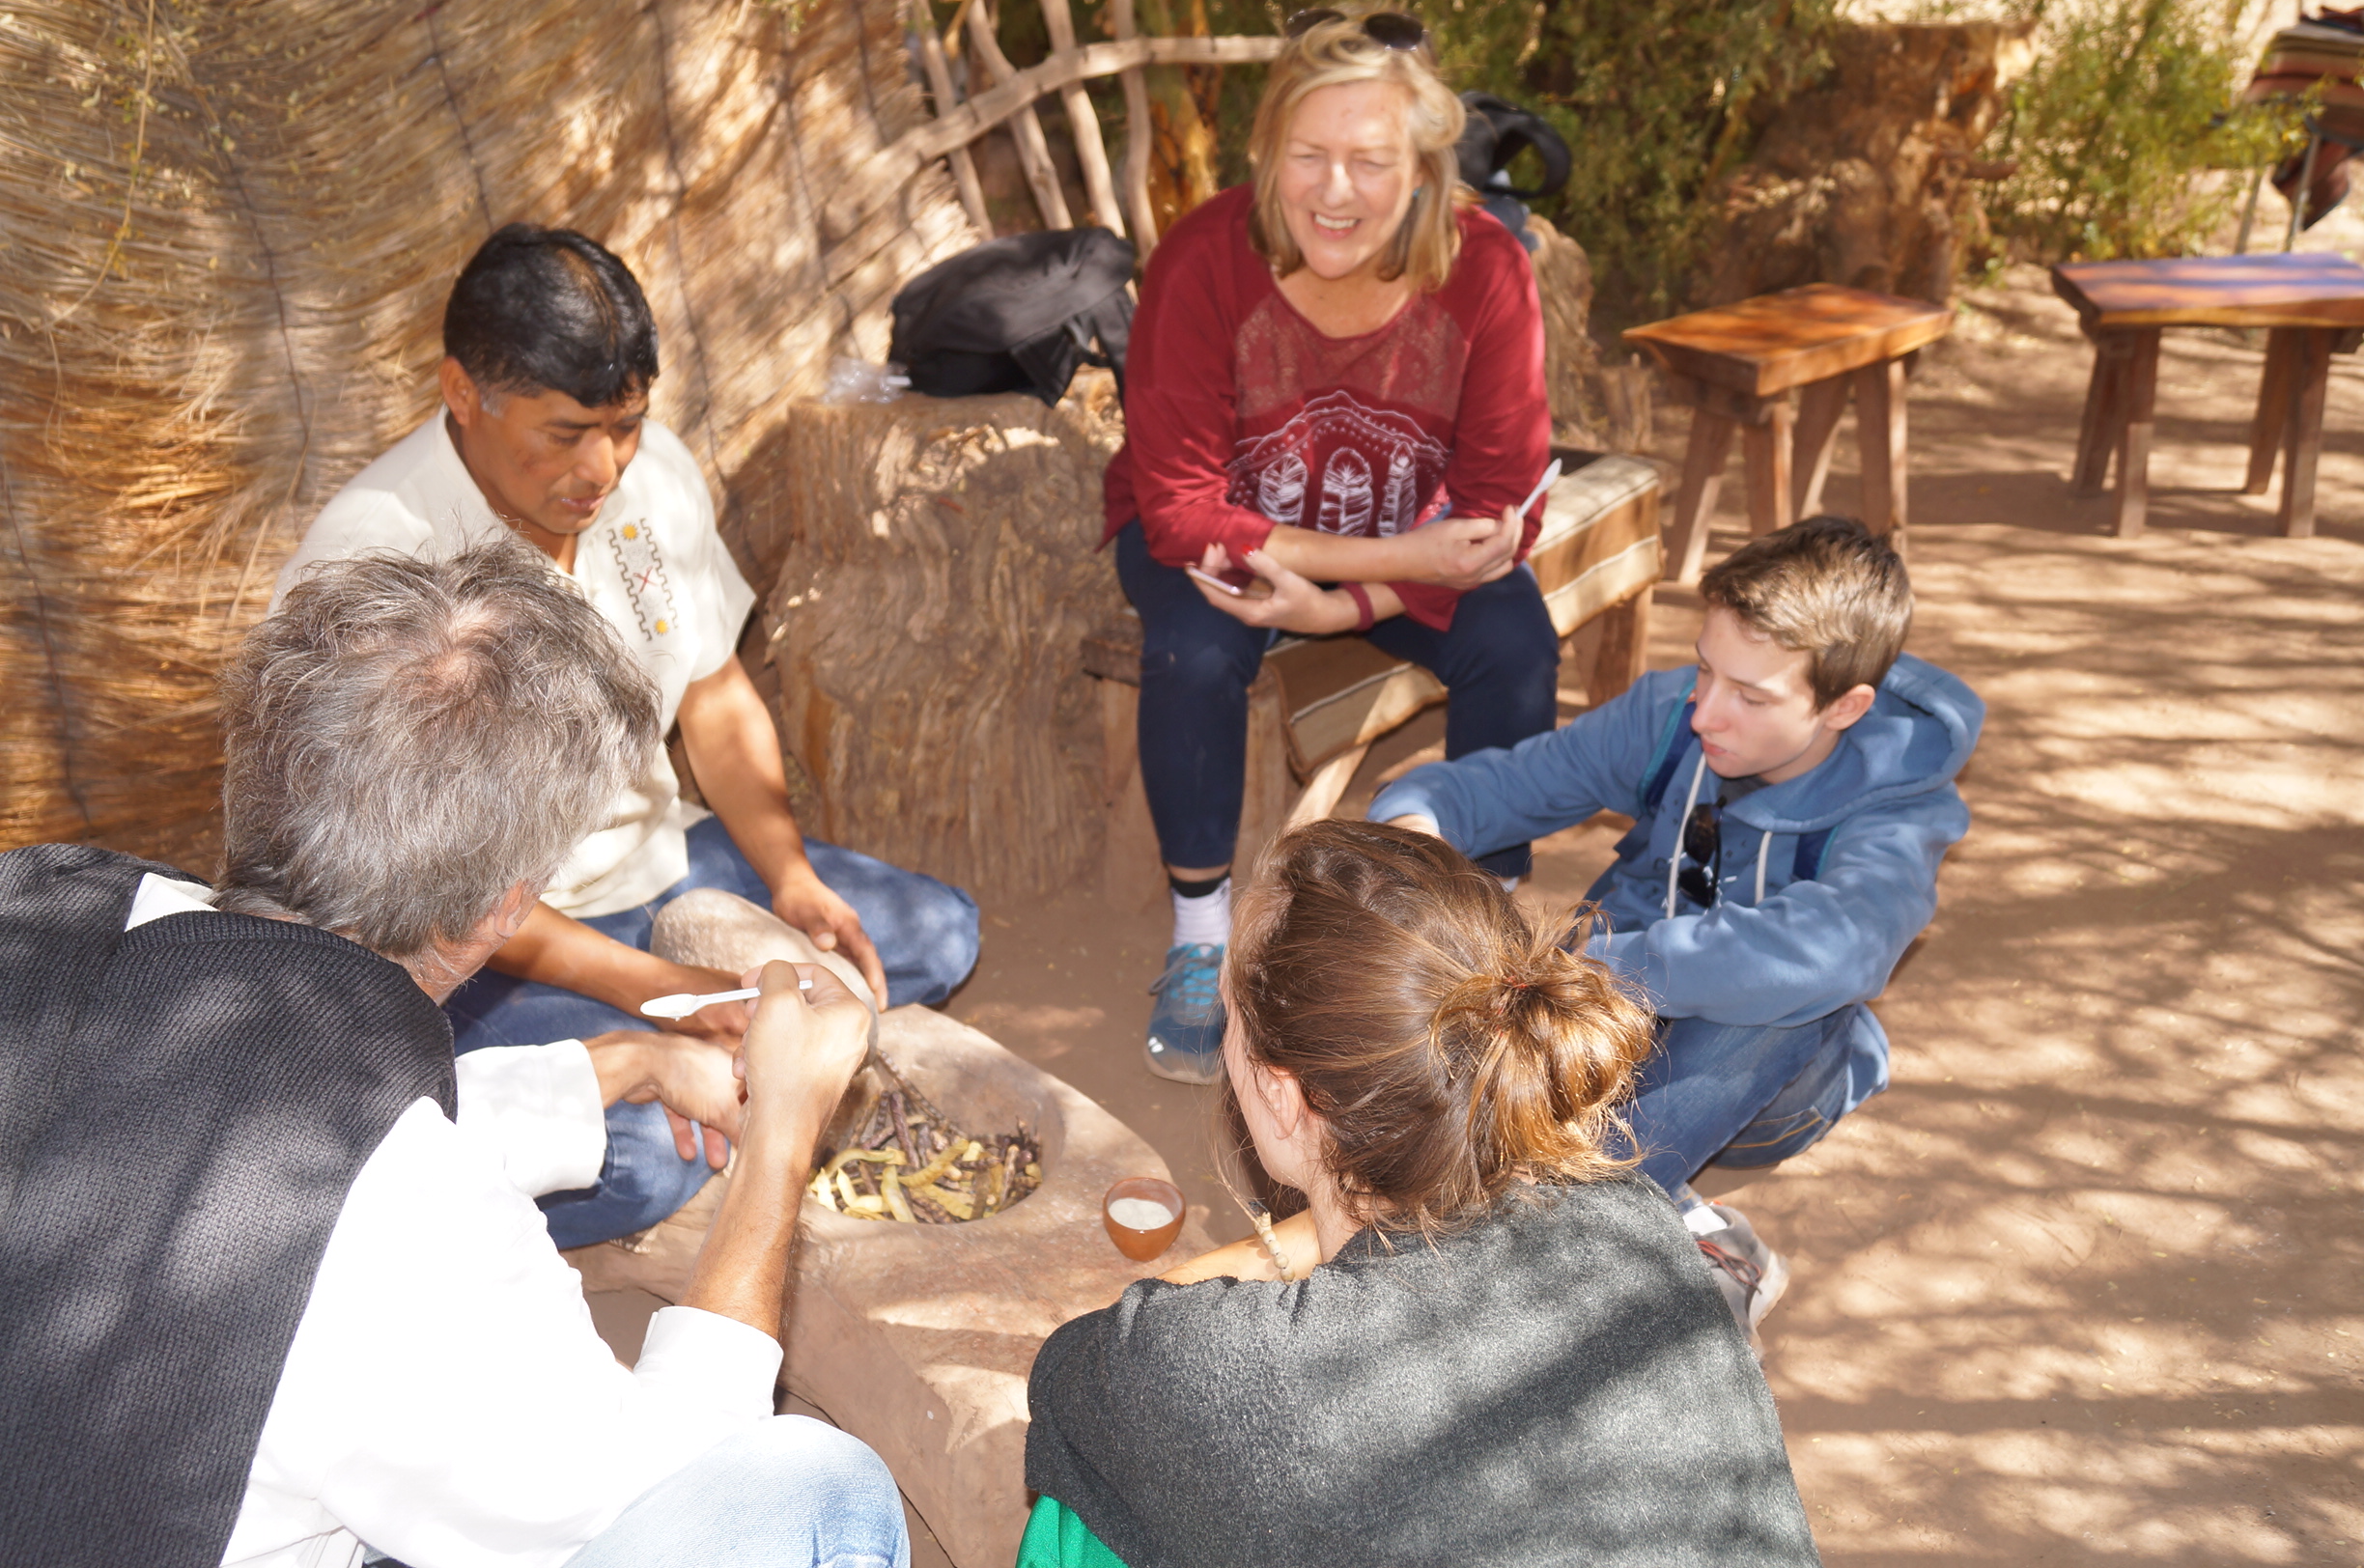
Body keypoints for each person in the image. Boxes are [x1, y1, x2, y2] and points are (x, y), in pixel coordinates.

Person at [0, 542, 908, 1568]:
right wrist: (780, 1142)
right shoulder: (413, 1239)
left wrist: (620, 1063)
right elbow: (662, 1484)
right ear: (503, 906)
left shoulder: (47, 895)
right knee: (816, 1488)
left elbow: (240, 1140)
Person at [271, 223, 979, 1247]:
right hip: (463, 948)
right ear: (463, 392)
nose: (601, 467)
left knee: (932, 936)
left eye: (628, 424)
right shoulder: (377, 559)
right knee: (641, 1156)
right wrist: (661, 991)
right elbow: (428, 898)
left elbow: (717, 697)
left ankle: (706, 1072)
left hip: (661, 873)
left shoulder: (651, 484)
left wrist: (787, 876)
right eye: (564, 433)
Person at [1020, 820, 1822, 1568]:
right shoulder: (1636, 1218)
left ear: (1282, 1095)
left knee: (1083, 1514)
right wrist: (1309, 1237)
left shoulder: (1229, 1376)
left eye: (1231, 1017)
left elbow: (1072, 1378)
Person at [1371, 515, 1984, 1337]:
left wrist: (1603, 966)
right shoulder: (1669, 718)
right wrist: (1411, 825)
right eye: (1706, 669)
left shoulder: (1899, 808)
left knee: (1776, 1001)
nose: (1706, 715)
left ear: (1845, 706)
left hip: (1769, 1075)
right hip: (1623, 1002)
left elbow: (1831, 950)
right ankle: (1672, 1223)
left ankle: (1561, 1231)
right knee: (1471, 1018)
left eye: (1751, 696)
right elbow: (1502, 786)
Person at [1106, 11, 1562, 1083]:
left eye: (1371, 161)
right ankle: (1201, 930)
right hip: (1241, 540)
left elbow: (1501, 508)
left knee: (1519, 647)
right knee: (1194, 648)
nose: (1336, 191)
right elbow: (1178, 508)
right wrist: (1381, 572)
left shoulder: (1487, 268)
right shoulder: (1202, 259)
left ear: (1423, 171)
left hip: (1406, 551)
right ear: (1266, 154)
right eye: (1309, 156)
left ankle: (1482, 926)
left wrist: (1347, 608)